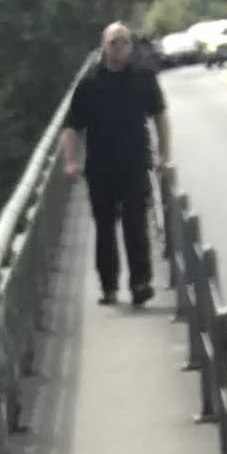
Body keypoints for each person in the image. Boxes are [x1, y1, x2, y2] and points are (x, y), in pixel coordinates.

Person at [63, 21, 172, 309]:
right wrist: (71, 161)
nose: (119, 47)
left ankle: (141, 284)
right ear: (103, 46)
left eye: (124, 41)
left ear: (131, 46)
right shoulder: (89, 84)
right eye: (113, 42)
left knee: (136, 225)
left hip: (135, 162)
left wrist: (164, 154)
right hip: (100, 167)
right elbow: (72, 126)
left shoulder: (143, 78)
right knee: (105, 228)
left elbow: (160, 116)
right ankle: (109, 286)